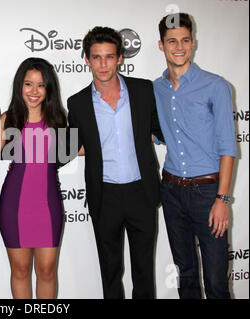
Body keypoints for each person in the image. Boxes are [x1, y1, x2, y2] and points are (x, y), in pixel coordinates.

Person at [66, 26, 164, 299]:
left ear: (120, 57)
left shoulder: (144, 90)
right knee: (110, 271)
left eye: (109, 56)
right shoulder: (77, 103)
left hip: (141, 192)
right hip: (104, 195)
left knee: (144, 270)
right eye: (96, 57)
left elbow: (160, 129)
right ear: (86, 59)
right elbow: (73, 146)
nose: (103, 64)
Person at [153, 13, 236, 299]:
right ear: (161, 45)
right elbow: (153, 131)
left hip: (208, 193)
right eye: (172, 41)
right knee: (185, 274)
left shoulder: (216, 86)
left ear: (193, 43)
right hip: (172, 191)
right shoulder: (156, 89)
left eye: (185, 40)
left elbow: (228, 148)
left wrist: (222, 199)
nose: (179, 46)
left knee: (215, 281)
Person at [0, 57, 67, 299]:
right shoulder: (7, 119)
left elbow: (77, 148)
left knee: (47, 271)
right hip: (14, 205)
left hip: (48, 206)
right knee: (20, 270)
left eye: (40, 84)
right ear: (20, 86)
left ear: (49, 88)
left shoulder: (59, 120)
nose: (34, 91)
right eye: (28, 84)